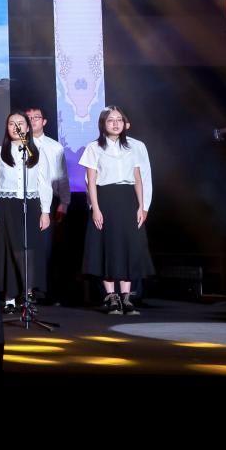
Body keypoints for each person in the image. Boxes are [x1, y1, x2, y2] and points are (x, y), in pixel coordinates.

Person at [80, 106, 154, 315]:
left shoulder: (132, 147)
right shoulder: (94, 147)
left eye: (119, 120)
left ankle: (127, 297)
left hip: (127, 199)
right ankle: (112, 297)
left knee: (129, 247)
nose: (115, 123)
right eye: (110, 120)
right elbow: (91, 182)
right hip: (105, 198)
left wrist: (141, 206)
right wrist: (95, 208)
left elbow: (138, 178)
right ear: (103, 124)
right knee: (107, 246)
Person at [0, 112, 52, 312]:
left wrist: (45, 211)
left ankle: (27, 294)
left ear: (28, 128)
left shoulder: (36, 151)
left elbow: (44, 183)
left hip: (31, 204)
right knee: (8, 250)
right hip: (6, 205)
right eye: (12, 123)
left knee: (28, 249)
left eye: (20, 123)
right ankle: (9, 297)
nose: (16, 127)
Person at [26, 106, 69, 300]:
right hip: (24, 199)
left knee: (45, 246)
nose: (32, 120)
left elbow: (62, 177)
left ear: (44, 121)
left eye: (36, 117)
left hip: (49, 200)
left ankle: (43, 289)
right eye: (28, 117)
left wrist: (64, 202)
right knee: (25, 245)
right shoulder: (17, 145)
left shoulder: (55, 147)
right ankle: (26, 289)